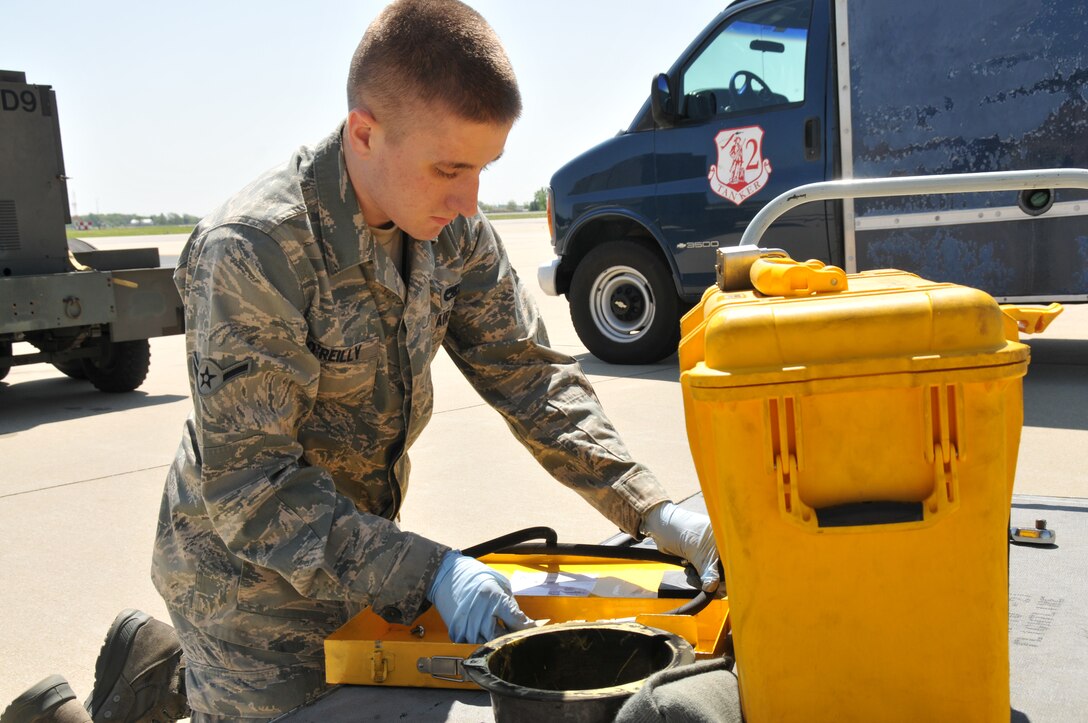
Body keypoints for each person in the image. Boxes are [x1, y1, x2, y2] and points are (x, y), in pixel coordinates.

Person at [3, 1, 719, 721]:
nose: (470, 199)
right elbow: (252, 489)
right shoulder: (255, 251)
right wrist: (431, 571)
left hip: (362, 561)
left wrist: (653, 509)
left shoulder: (450, 228)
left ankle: (160, 669)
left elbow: (528, 377)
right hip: (243, 592)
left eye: (484, 168)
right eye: (449, 168)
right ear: (365, 133)